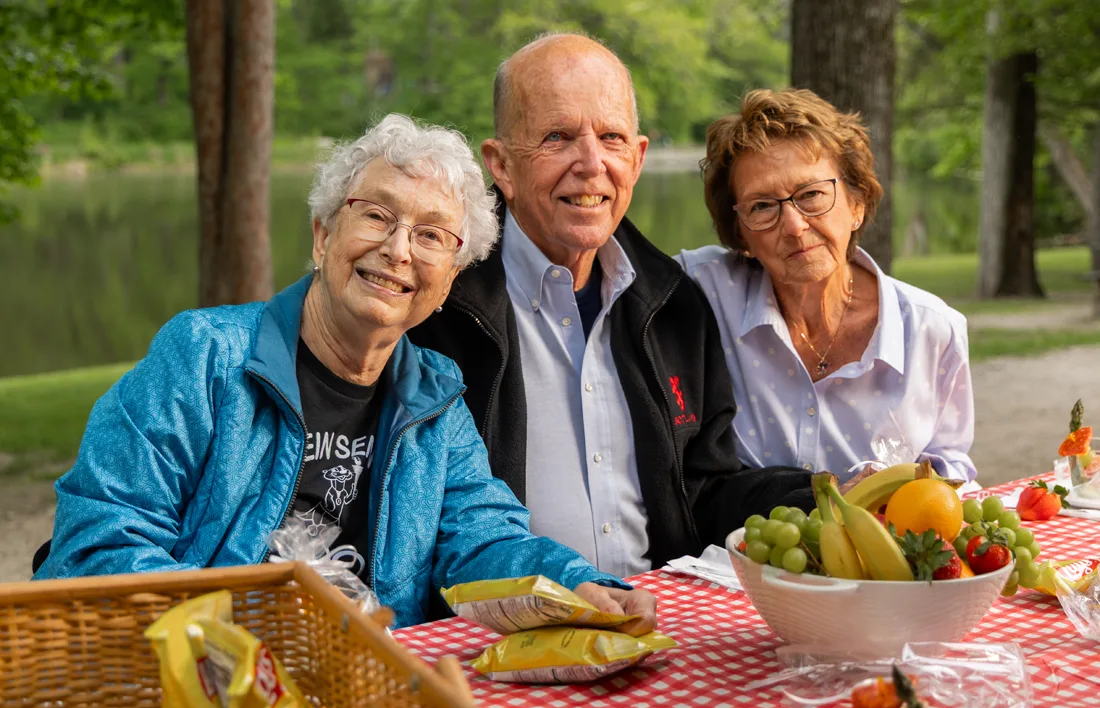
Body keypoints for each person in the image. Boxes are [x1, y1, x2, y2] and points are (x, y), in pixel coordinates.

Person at [33, 114, 657, 633]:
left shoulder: (438, 400)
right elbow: (101, 537)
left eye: (433, 235)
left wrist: (578, 585)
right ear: (323, 235)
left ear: (446, 284)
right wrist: (233, 640)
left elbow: (483, 541)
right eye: (378, 217)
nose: (400, 250)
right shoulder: (205, 356)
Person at [408, 34, 819, 579]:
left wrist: (824, 494)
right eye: (558, 137)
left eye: (612, 137)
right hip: (490, 636)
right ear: (501, 166)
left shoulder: (674, 305)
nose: (591, 163)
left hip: (651, 626)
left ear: (638, 157)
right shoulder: (435, 307)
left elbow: (703, 491)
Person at [678, 89, 977, 485]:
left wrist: (912, 486)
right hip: (743, 544)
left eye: (812, 195)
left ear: (857, 204)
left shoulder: (930, 330)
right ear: (741, 234)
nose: (794, 226)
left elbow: (950, 461)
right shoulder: (704, 289)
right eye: (762, 206)